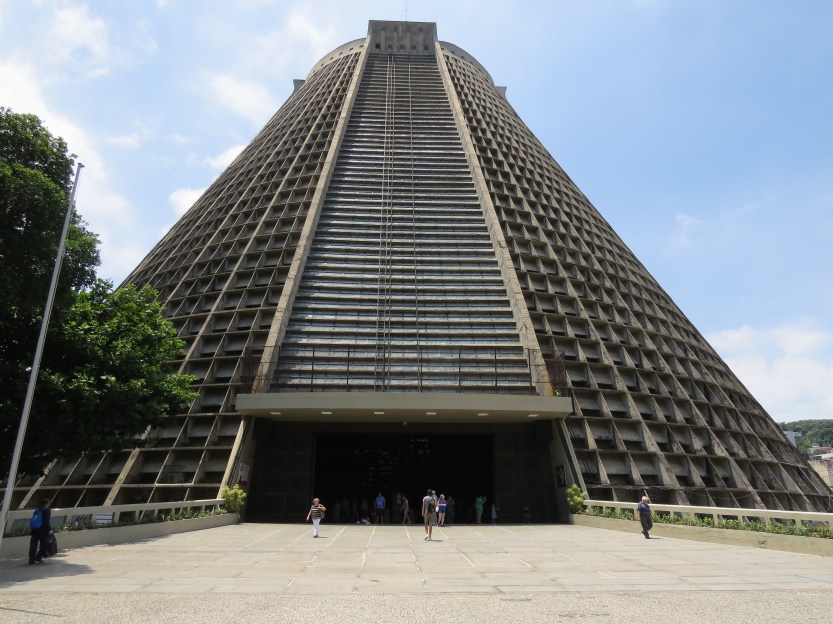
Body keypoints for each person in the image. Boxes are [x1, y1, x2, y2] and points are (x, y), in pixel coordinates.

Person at [28, 497, 52, 564]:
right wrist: (50, 530)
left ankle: (31, 559)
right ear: (48, 503)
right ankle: (38, 557)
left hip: (35, 530)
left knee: (33, 545)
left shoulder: (37, 510)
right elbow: (47, 521)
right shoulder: (47, 510)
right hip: (43, 531)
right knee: (44, 545)